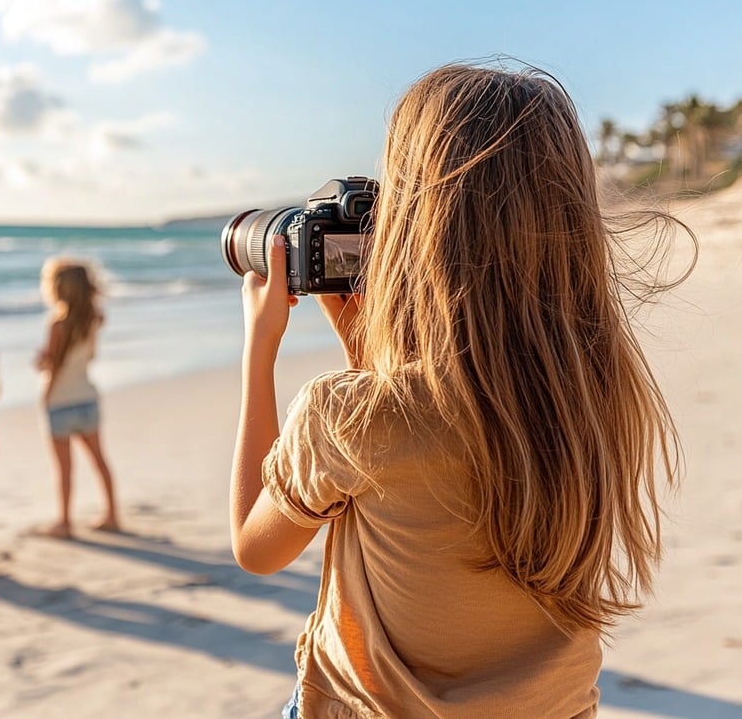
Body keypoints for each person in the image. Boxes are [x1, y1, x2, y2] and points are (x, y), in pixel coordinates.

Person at [230, 64, 694, 717]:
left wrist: (260, 347)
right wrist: (366, 354)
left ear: (415, 229)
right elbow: (454, 415)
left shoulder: (350, 416)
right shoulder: (598, 396)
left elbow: (255, 546)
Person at [34, 257, 119, 539]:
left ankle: (65, 521)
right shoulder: (94, 319)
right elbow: (90, 356)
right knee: (99, 460)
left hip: (60, 402)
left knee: (65, 469)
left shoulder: (57, 325)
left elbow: (53, 365)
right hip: (87, 397)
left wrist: (42, 370)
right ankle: (112, 514)